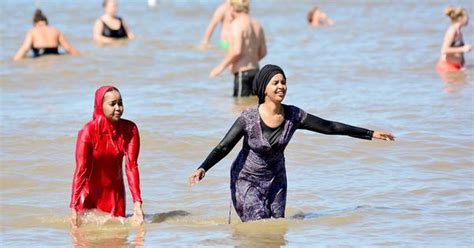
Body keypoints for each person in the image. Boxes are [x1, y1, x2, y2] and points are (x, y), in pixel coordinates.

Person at [189, 64, 395, 222]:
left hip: (277, 180)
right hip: (247, 180)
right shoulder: (249, 117)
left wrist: (370, 133)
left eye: (283, 82)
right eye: (275, 83)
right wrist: (203, 167)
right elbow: (224, 146)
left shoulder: (294, 115)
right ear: (264, 88)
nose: (281, 86)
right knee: (257, 225)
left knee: (276, 230)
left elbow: (329, 127)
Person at [70, 86, 144, 227]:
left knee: (117, 239)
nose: (118, 108)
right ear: (100, 106)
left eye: (120, 103)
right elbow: (81, 170)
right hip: (89, 195)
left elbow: (131, 167)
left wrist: (137, 203)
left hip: (116, 195)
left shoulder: (130, 129)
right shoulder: (87, 132)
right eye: (112, 104)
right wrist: (73, 206)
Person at [209, 0, 267, 98]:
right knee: (254, 108)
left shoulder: (236, 24)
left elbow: (237, 51)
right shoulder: (257, 23)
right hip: (256, 72)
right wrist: (250, 61)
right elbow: (263, 52)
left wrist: (220, 67)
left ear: (232, 8)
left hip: (242, 75)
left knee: (239, 108)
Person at [13, 9, 80, 60]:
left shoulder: (32, 31)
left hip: (39, 57)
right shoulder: (56, 30)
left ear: (34, 23)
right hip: (55, 58)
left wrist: (15, 60)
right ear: (46, 22)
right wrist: (80, 56)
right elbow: (69, 48)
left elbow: (25, 48)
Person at [437, 6, 472, 72]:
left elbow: (459, 51)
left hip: (456, 66)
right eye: (467, 16)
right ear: (460, 18)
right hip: (447, 66)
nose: (469, 18)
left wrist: (462, 64)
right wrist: (463, 48)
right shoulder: (452, 31)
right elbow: (444, 50)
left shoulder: (459, 31)